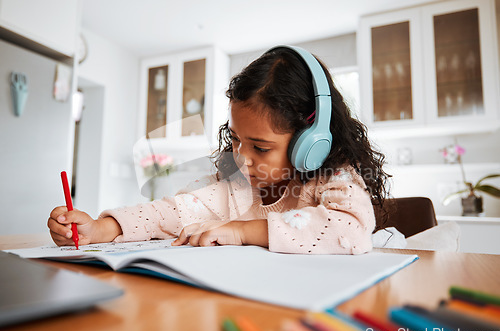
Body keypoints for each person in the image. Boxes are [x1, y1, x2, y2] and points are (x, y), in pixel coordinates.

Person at [47, 46, 389, 254]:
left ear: (310, 143)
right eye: (237, 139)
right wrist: (104, 229)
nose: (242, 156)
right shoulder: (237, 178)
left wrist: (241, 231)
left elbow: (351, 230)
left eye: (260, 147)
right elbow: (175, 211)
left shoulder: (332, 176)